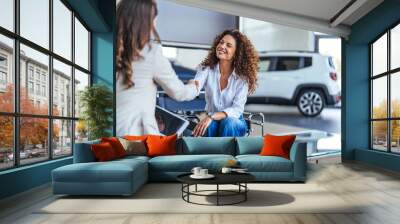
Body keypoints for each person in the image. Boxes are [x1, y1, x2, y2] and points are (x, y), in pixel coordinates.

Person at [116, 0, 199, 136]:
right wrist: (194, 88)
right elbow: (179, 93)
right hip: (137, 139)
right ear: (145, 21)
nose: (155, 22)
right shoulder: (150, 52)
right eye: (154, 17)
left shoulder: (111, 50)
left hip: (111, 134)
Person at [192, 29, 259, 137]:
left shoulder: (242, 78)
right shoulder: (206, 69)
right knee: (207, 126)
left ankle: (228, 154)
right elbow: (196, 86)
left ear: (236, 53)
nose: (222, 46)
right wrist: (191, 86)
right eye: (221, 42)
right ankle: (210, 154)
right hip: (212, 120)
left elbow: (237, 109)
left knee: (228, 123)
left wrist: (211, 117)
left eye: (228, 45)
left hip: (234, 121)